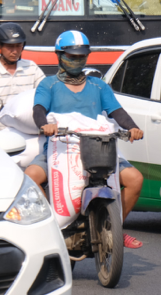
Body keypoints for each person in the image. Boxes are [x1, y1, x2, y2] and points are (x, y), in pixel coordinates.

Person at [24, 30, 145, 249]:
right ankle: (51, 229)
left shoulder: (98, 86)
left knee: (135, 179)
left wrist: (133, 128)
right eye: (72, 56)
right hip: (60, 149)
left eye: (81, 56)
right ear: (59, 55)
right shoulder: (48, 85)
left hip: (98, 148)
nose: (77, 60)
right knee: (31, 176)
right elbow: (38, 110)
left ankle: (115, 229)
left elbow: (117, 112)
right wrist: (45, 125)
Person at [0, 23, 45, 117]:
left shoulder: (32, 68)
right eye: (10, 46)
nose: (15, 51)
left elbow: (45, 94)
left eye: (18, 46)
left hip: (26, 127)